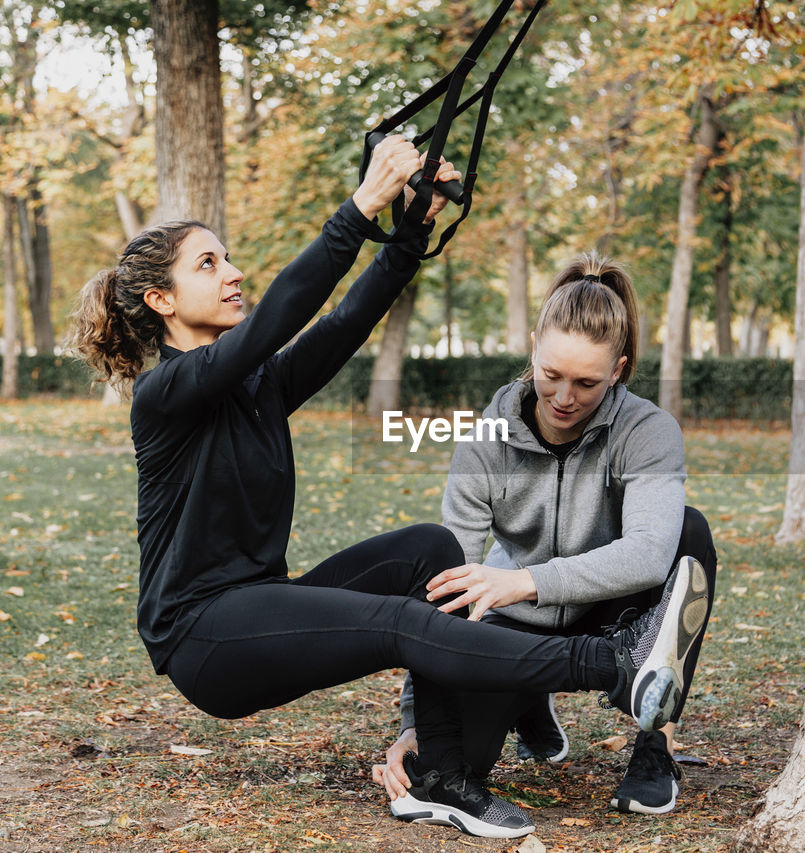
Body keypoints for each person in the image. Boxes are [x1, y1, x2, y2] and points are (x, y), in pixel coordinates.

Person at [66, 138, 711, 841]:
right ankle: (614, 666)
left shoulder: (258, 388)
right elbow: (276, 319)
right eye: (209, 263)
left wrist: (410, 231)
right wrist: (362, 205)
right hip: (201, 635)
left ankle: (440, 776)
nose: (234, 272)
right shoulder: (165, 392)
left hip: (255, 602)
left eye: (227, 257)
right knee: (394, 623)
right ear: (161, 300)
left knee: (428, 554)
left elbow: (343, 325)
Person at [371, 253, 718, 821]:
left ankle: (656, 745)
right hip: (516, 629)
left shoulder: (648, 431)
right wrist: (416, 726)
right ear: (533, 346)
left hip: (614, 611)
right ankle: (528, 689)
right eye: (551, 374)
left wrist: (524, 582)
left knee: (688, 533)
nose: (563, 396)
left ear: (619, 369)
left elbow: (651, 554)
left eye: (587, 382)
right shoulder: (484, 442)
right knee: (462, 760)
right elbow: (442, 589)